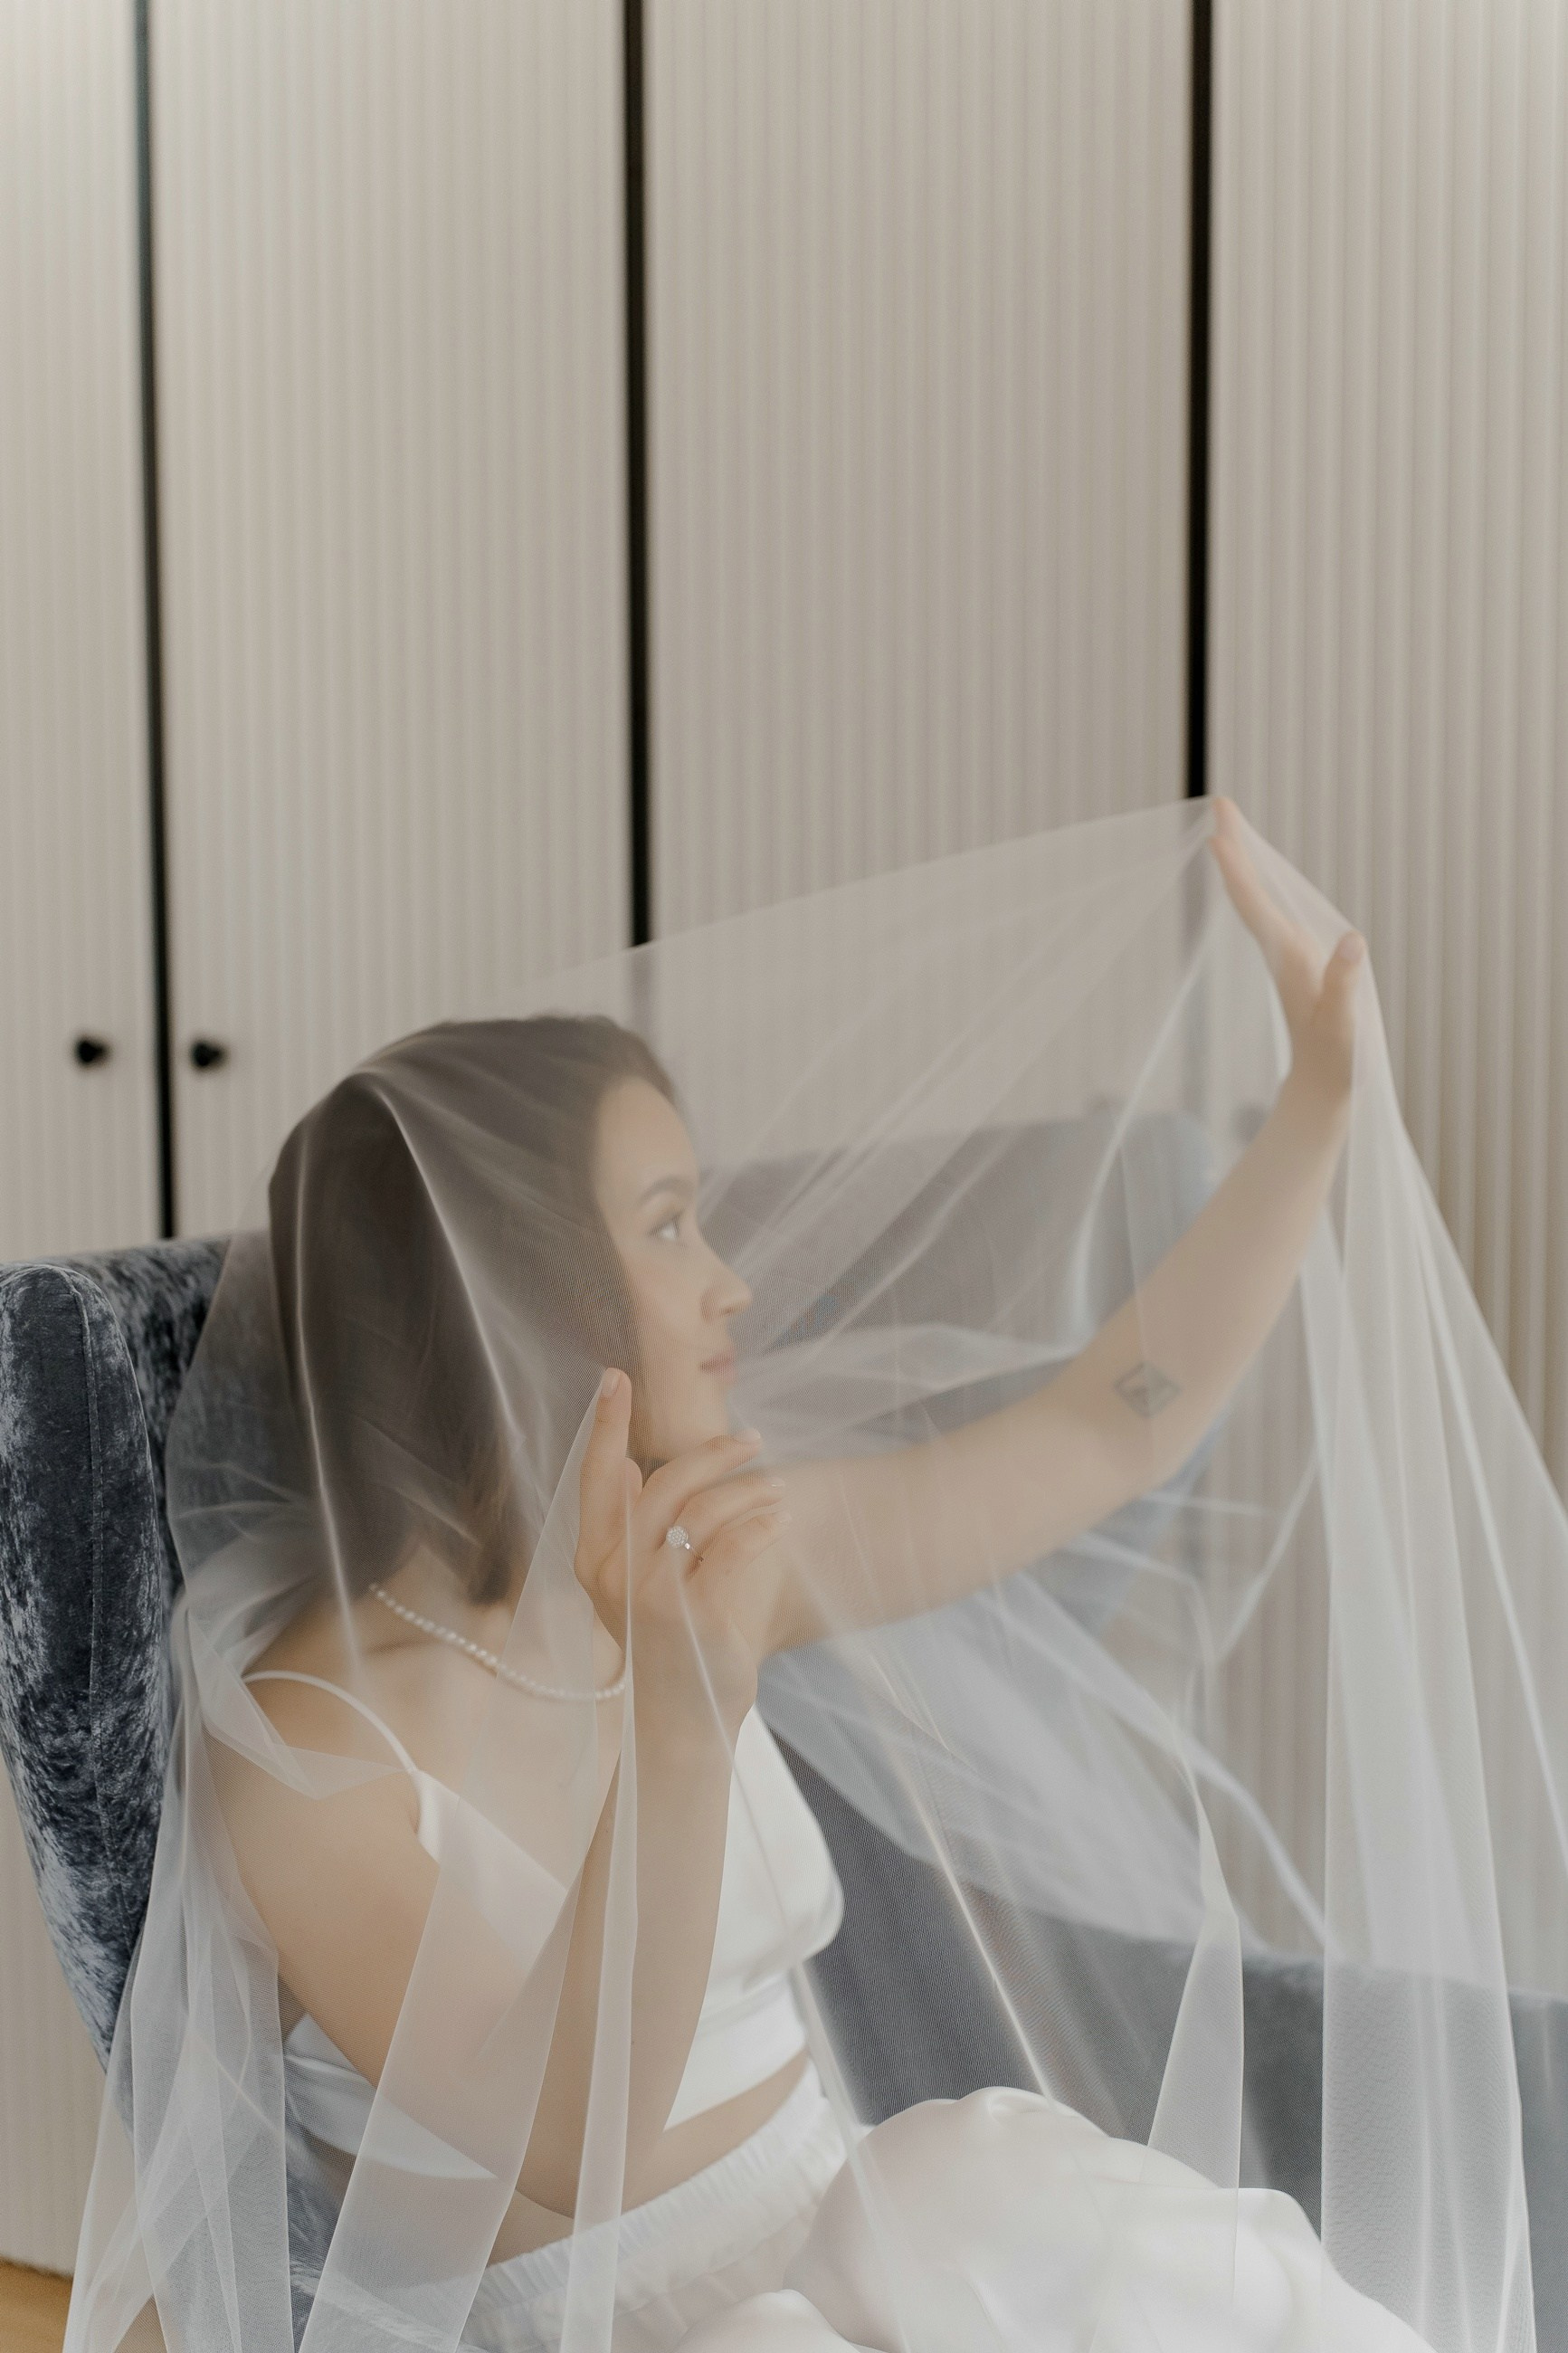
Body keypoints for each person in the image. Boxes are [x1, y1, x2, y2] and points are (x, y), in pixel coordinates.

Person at [68, 799, 1556, 2353]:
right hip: (634, 2335)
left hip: (892, 2248)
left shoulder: (721, 1558)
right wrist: (682, 1711)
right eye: (669, 1225)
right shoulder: (307, 1757)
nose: (730, 1283)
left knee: (1006, 2205)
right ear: (515, 1289)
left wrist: (1318, 1104)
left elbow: (1110, 1422)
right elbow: (567, 2143)